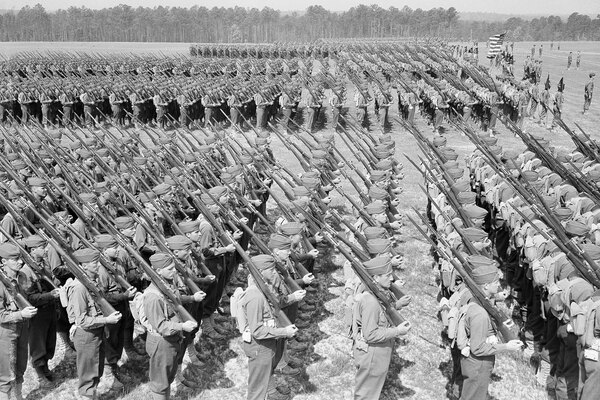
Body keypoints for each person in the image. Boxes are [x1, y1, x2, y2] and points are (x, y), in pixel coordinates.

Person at [459, 260, 523, 400]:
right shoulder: (479, 314)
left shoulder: (475, 298)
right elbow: (478, 348)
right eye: (495, 282)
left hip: (475, 364)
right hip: (478, 364)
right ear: (486, 285)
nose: (499, 285)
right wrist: (506, 346)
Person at [351, 256, 411, 400]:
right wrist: (398, 331)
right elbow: (371, 334)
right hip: (372, 354)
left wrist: (398, 305)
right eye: (388, 275)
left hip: (378, 351)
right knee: (366, 395)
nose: (391, 279)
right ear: (376, 278)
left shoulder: (376, 294)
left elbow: (382, 312)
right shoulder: (370, 301)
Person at [67, 248, 122, 400]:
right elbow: (82, 320)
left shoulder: (92, 282)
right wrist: (106, 320)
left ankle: (92, 396)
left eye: (97, 262)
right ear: (83, 266)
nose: (98, 266)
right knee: (87, 375)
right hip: (86, 336)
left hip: (96, 333)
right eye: (93, 263)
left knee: (96, 370)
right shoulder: (79, 288)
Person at [240, 255, 298, 400]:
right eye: (271, 270)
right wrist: (284, 332)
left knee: (263, 382)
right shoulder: (255, 296)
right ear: (260, 272)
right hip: (259, 347)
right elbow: (258, 330)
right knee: (257, 391)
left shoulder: (262, 289)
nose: (275, 273)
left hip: (265, 345)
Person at [144, 253, 198, 400]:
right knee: (160, 383)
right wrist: (182, 326)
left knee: (168, 377)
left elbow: (176, 302)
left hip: (171, 340)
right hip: (161, 343)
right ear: (158, 271)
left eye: (174, 267)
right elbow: (161, 326)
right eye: (169, 269)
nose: (174, 271)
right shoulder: (153, 296)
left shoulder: (166, 285)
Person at [0, 243, 38, 400]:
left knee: (21, 367)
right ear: (3, 261)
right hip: (6, 332)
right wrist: (20, 314)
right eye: (14, 259)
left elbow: (26, 297)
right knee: (6, 376)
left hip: (22, 328)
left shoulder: (21, 276)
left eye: (19, 258)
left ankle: (19, 397)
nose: (20, 262)